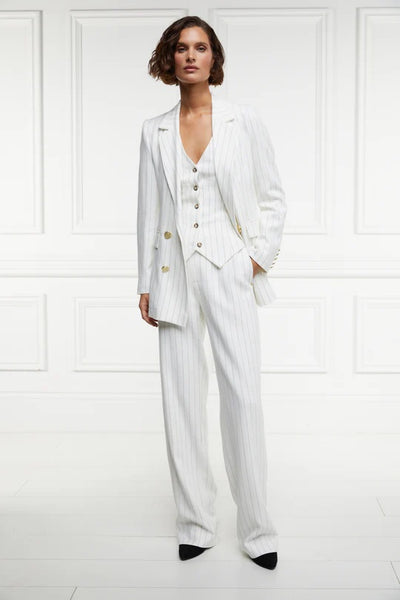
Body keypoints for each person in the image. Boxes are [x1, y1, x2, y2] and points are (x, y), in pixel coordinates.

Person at [137, 15, 287, 570]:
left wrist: (256, 258)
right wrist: (146, 282)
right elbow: (148, 210)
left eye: (200, 47)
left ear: (214, 58)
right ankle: (196, 524)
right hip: (174, 274)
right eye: (181, 48)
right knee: (180, 400)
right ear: (169, 58)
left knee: (242, 395)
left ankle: (258, 530)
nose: (190, 56)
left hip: (229, 268)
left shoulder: (243, 122)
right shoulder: (154, 130)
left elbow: (272, 197)